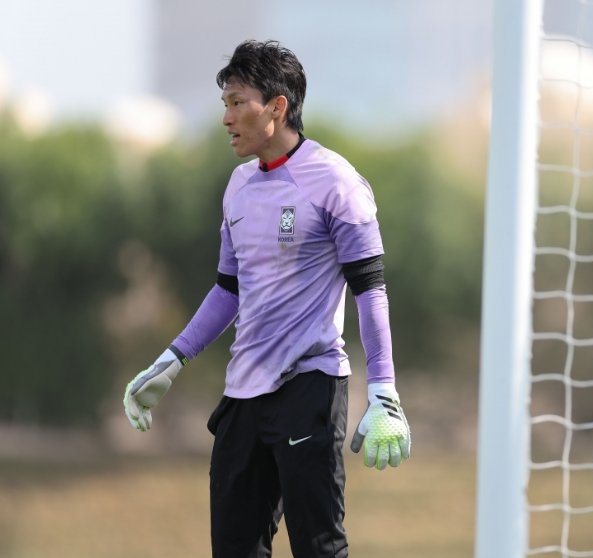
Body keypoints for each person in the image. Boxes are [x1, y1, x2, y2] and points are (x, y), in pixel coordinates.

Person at [122, 39, 410, 558]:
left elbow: (371, 291)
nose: (227, 118)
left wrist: (384, 391)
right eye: (224, 105)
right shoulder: (238, 186)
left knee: (319, 548)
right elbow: (228, 290)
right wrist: (172, 359)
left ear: (277, 107)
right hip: (242, 397)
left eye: (238, 103)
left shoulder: (337, 183)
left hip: (310, 388)